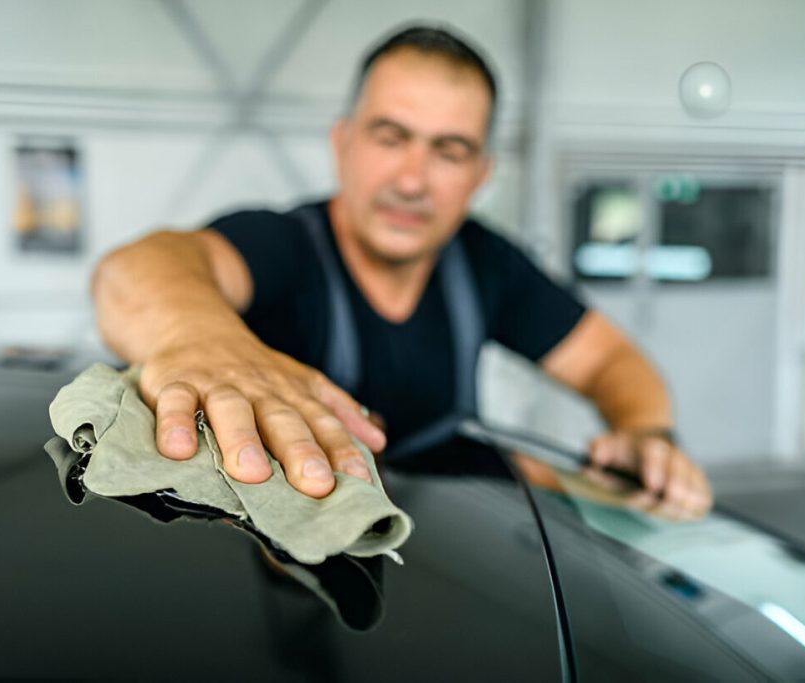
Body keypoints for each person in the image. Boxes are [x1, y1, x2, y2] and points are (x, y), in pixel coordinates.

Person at [92, 24, 712, 515]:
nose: (412, 180)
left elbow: (608, 360)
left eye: (449, 151)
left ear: (480, 175)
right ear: (344, 143)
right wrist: (201, 341)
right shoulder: (281, 246)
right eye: (391, 137)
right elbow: (136, 271)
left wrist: (646, 433)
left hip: (449, 549)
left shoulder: (487, 263)